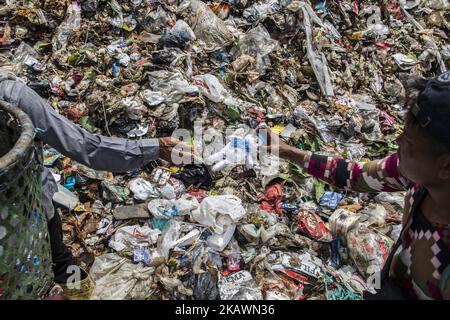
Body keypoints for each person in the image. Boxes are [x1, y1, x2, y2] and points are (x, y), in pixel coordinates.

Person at [259, 72, 450, 300]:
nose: (397, 141)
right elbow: (354, 174)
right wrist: (287, 151)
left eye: (408, 140)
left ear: (446, 166)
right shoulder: (416, 179)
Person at [0, 73, 187, 299]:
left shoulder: (11, 95)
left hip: (30, 218)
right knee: (60, 266)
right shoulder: (10, 94)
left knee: (52, 268)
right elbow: (85, 146)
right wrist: (156, 147)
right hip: (35, 216)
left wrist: (153, 147)